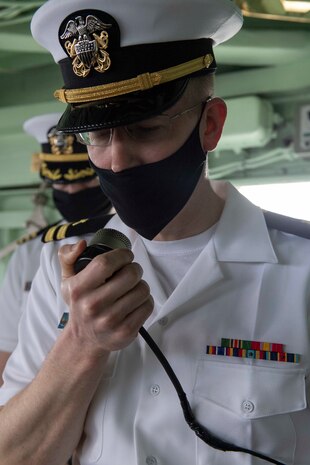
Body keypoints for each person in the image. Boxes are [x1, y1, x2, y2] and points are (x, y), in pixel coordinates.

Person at [0, 1, 309, 465]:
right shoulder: (60, 266)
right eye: (97, 137)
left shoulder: (301, 271)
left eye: (145, 128)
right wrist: (82, 342)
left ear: (211, 125)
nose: (117, 161)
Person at [0, 112, 112, 384]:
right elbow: (6, 353)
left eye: (84, 179)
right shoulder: (29, 253)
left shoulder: (137, 236)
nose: (72, 191)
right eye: (61, 182)